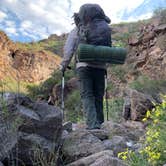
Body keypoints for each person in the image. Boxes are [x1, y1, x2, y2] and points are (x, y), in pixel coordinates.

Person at [60, 3, 112, 129]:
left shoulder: (77, 29)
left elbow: (69, 50)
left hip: (84, 66)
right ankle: (100, 123)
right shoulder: (104, 28)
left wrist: (63, 65)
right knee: (98, 95)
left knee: (87, 95)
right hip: (101, 67)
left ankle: (93, 126)